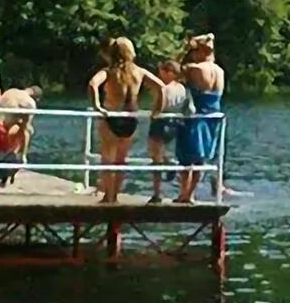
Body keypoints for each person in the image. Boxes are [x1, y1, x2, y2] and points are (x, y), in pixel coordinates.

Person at [86, 37, 162, 204]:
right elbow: (160, 87)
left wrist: (97, 106)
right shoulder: (139, 72)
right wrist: (157, 109)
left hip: (112, 116)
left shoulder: (109, 72)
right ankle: (115, 195)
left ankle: (108, 196)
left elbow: (92, 84)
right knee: (121, 160)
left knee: (107, 159)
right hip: (130, 119)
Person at [178, 32, 225, 204]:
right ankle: (189, 193)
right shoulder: (220, 71)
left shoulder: (194, 69)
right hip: (213, 114)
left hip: (197, 115)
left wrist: (185, 49)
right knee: (201, 157)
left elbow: (173, 68)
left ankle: (185, 194)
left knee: (186, 156)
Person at [147, 58, 192, 204]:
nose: (160, 73)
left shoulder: (163, 88)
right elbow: (186, 107)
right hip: (174, 123)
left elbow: (159, 106)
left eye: (163, 71)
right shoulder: (182, 89)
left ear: (169, 73)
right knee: (160, 152)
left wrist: (153, 114)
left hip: (160, 122)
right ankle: (169, 162)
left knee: (155, 158)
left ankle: (157, 193)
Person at [0, 86, 41, 187]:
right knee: (27, 130)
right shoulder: (29, 102)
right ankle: (11, 168)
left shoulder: (10, 92)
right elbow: (25, 130)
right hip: (4, 133)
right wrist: (23, 154)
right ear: (37, 99)